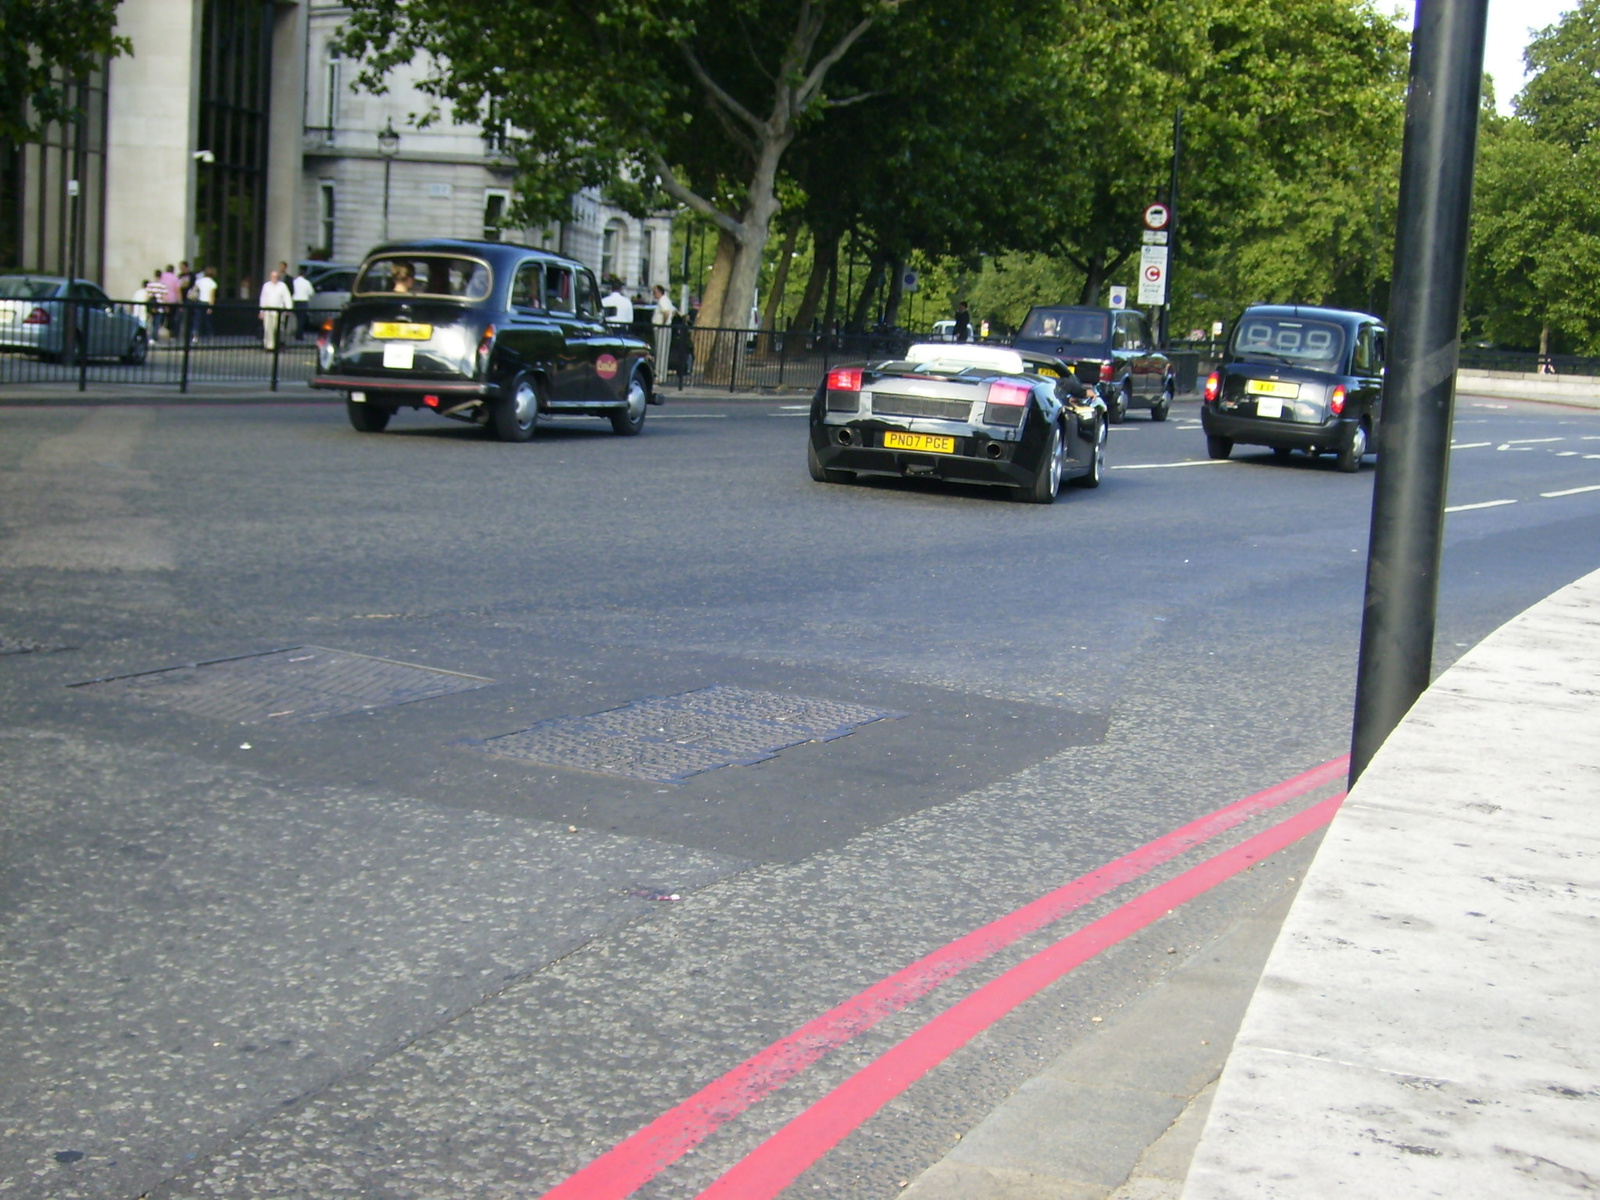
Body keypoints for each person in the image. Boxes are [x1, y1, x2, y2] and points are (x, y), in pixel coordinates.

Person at [258, 269, 293, 351]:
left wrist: (288, 308)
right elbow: (263, 298)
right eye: (273, 276)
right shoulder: (266, 286)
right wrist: (261, 311)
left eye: (276, 276)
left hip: (279, 311)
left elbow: (287, 298)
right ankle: (269, 346)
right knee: (268, 329)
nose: (274, 278)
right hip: (268, 311)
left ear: (278, 277)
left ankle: (278, 345)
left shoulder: (282, 286)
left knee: (278, 329)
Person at [650, 283, 675, 372]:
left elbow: (667, 313)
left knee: (660, 352)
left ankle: (659, 374)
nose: (653, 294)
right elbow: (673, 312)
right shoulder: (667, 300)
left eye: (655, 292)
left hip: (662, 329)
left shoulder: (662, 300)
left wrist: (663, 324)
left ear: (659, 292)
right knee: (663, 352)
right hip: (666, 328)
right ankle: (662, 374)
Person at [192, 266, 217, 342]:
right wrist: (211, 307)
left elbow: (194, 290)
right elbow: (212, 296)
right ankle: (210, 336)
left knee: (197, 320)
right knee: (207, 321)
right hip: (207, 303)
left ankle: (195, 336)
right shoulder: (213, 283)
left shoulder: (199, 281)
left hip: (199, 302)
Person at [291, 267, 315, 338]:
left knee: (297, 318)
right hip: (303, 301)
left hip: (295, 301)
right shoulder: (307, 283)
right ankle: (299, 334)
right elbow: (311, 292)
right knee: (302, 319)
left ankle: (297, 332)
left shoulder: (294, 282)